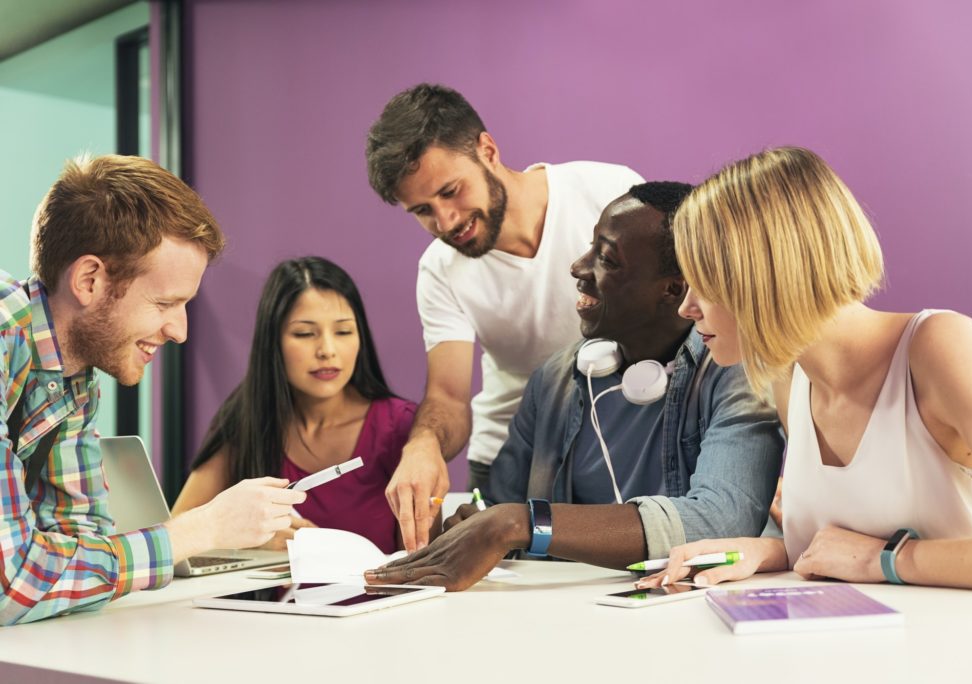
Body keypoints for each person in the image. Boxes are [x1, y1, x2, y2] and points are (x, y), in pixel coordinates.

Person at [638, 146, 972, 594]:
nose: (687, 308)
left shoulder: (941, 348)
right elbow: (848, 545)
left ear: (765, 274)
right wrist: (768, 551)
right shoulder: (789, 379)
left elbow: (869, 555)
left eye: (704, 281)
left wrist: (891, 560)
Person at [363, 182, 784, 591]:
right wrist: (476, 523)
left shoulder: (737, 371)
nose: (579, 268)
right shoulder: (556, 380)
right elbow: (502, 508)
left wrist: (519, 524)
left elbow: (720, 519)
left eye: (607, 259)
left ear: (672, 289)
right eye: (590, 248)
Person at [0, 155, 305, 626]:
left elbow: (81, 545)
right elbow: (15, 582)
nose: (180, 331)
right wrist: (202, 529)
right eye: (165, 302)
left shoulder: (71, 377)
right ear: (89, 280)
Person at [365, 83, 644, 550]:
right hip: (514, 461)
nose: (446, 221)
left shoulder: (609, 192)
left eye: (450, 192)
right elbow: (449, 396)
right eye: (423, 211)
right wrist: (423, 445)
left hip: (629, 445)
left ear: (488, 150)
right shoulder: (440, 269)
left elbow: (689, 312)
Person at [173, 257, 417, 553]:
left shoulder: (400, 427)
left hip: (383, 600)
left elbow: (421, 562)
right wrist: (248, 543)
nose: (327, 350)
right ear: (272, 341)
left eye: (343, 331)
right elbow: (177, 535)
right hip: (269, 602)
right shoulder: (244, 422)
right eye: (304, 334)